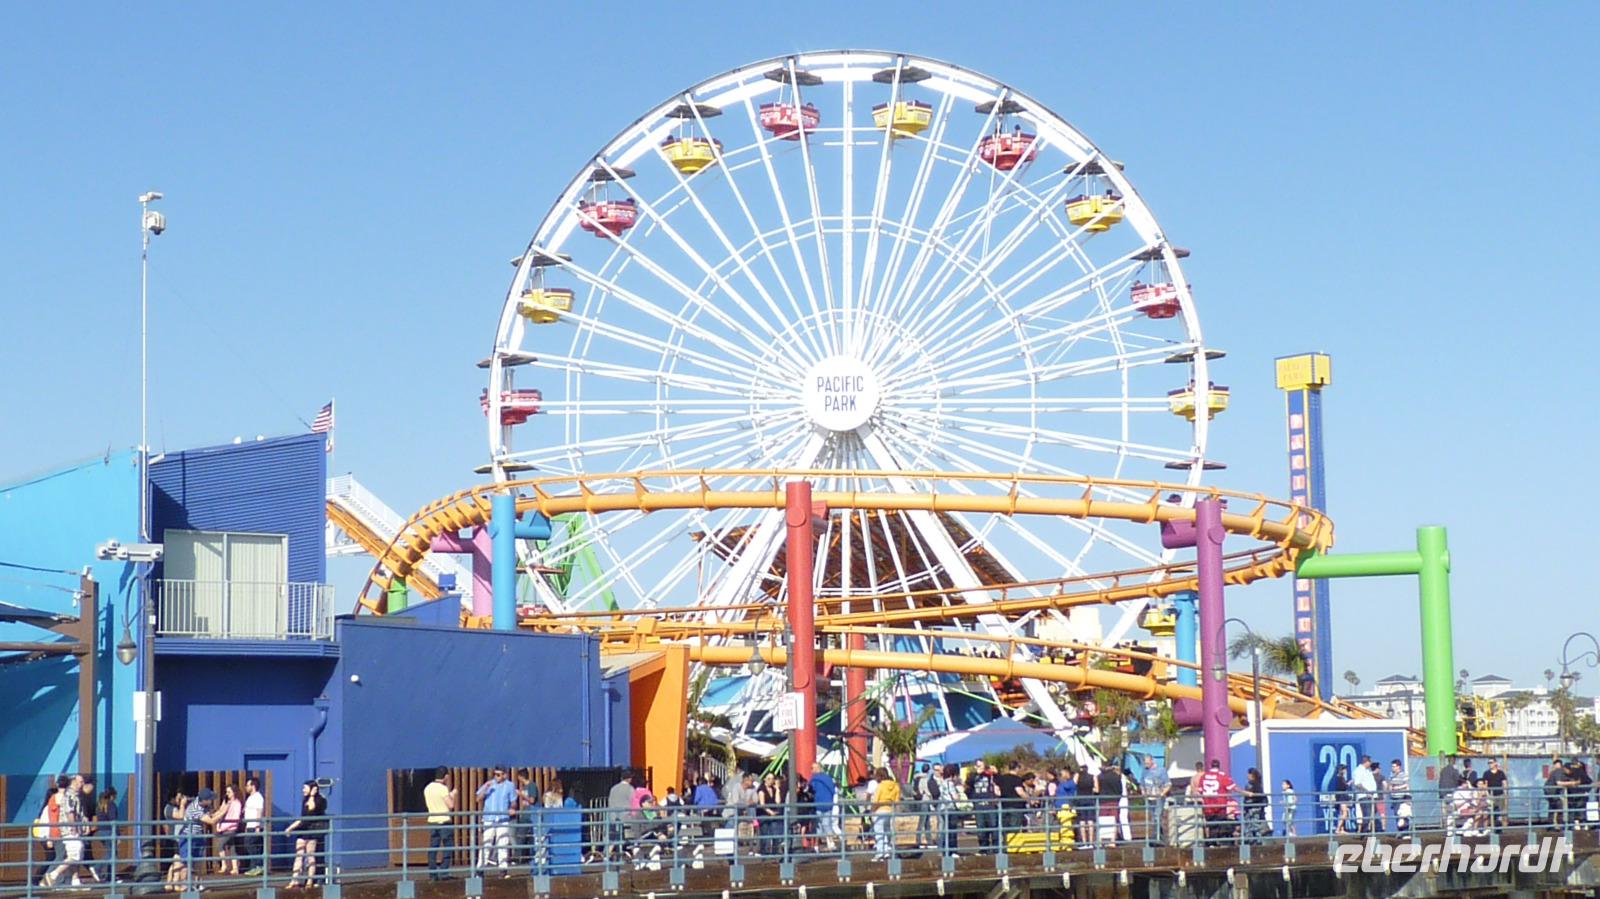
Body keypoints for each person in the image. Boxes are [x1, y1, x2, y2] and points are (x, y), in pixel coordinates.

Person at [42, 774, 86, 888]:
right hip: (70, 830)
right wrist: (74, 827)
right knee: (75, 854)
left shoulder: (74, 795)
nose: (82, 784)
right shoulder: (70, 795)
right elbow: (70, 812)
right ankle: (53, 874)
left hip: (71, 829)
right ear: (74, 782)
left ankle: (75, 881)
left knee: (76, 854)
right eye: (81, 782)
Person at [284, 781, 327, 889]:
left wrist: (312, 796)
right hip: (303, 830)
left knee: (310, 856)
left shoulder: (320, 800)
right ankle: (294, 880)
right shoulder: (305, 800)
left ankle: (309, 881)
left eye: (305, 788)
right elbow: (303, 818)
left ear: (313, 789)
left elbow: (312, 809)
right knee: (299, 856)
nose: (303, 790)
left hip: (312, 832)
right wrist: (290, 828)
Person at [477, 767, 518, 874]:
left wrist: (512, 808)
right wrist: (486, 788)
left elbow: (513, 801)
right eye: (495, 774)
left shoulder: (510, 786)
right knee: (486, 843)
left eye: (499, 775)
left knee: (503, 844)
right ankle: (480, 869)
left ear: (505, 775)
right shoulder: (489, 784)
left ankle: (503, 869)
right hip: (489, 818)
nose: (496, 777)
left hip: (503, 818)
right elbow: (478, 798)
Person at [424, 767, 457, 881]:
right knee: (448, 846)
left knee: (433, 848)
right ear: (446, 776)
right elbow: (450, 805)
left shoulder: (428, 788)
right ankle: (444, 873)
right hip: (444, 821)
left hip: (432, 821)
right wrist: (453, 795)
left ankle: (432, 874)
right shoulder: (443, 789)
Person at [1194, 760, 1237, 844]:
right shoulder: (1222, 776)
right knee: (1220, 825)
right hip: (1220, 806)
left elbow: (1199, 791)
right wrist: (1245, 793)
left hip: (1208, 807)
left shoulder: (1204, 776)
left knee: (1211, 826)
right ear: (1219, 766)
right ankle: (1221, 842)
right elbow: (1233, 787)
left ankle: (1211, 843)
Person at [965, 761, 1000, 854]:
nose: (980, 767)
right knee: (981, 828)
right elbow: (968, 783)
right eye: (978, 766)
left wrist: (996, 772)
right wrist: (978, 773)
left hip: (990, 805)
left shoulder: (989, 775)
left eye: (982, 766)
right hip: (978, 806)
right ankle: (984, 849)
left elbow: (999, 781)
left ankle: (996, 849)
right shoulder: (972, 776)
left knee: (993, 827)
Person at [936, 764, 966, 855]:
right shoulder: (950, 783)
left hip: (942, 807)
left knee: (946, 830)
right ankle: (952, 851)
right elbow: (955, 797)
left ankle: (945, 850)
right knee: (952, 830)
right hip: (950, 808)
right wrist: (960, 795)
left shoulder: (942, 782)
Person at [870, 767, 900, 861]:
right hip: (889, 810)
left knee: (879, 832)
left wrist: (872, 811)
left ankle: (880, 853)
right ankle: (886, 851)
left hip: (880, 810)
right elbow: (897, 801)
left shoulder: (881, 786)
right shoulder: (895, 785)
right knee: (887, 831)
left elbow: (875, 801)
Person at [1139, 756, 1170, 845]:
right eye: (1145, 763)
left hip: (1158, 798)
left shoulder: (1161, 770)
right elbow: (1142, 784)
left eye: (1147, 762)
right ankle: (1159, 837)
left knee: (1157, 817)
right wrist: (1143, 792)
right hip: (1149, 798)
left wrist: (1162, 793)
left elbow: (1168, 784)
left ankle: (1156, 838)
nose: (1146, 764)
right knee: (1153, 818)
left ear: (1152, 761)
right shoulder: (1145, 771)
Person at [809, 765, 840, 851]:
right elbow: (833, 791)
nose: (811, 770)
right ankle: (831, 843)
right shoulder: (828, 778)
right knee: (827, 825)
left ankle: (816, 845)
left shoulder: (814, 779)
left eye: (812, 768)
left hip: (818, 805)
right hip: (828, 804)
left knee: (818, 826)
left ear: (816, 769)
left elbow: (811, 791)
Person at [242, 778, 266, 877]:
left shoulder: (258, 797)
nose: (246, 787)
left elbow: (259, 811)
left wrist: (257, 826)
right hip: (249, 825)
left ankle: (258, 866)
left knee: (249, 844)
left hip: (254, 826)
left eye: (248, 785)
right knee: (254, 846)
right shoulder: (250, 798)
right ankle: (255, 867)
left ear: (253, 786)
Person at [1350, 758, 1377, 834]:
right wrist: (1366, 791)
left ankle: (1367, 831)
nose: (1371, 764)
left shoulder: (1367, 771)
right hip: (1364, 796)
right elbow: (1358, 783)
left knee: (1371, 814)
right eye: (1370, 762)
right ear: (1366, 762)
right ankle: (1364, 833)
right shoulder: (1359, 771)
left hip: (1371, 796)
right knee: (1367, 814)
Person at [1241, 769, 1267, 843]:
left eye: (1249, 774)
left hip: (1254, 808)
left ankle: (1257, 841)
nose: (1247, 776)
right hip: (1248, 808)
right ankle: (1250, 840)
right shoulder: (1248, 785)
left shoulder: (1256, 785)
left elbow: (1259, 796)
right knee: (1249, 825)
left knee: (1255, 825)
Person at [692, 774, 720, 839]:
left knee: (703, 823)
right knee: (710, 824)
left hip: (703, 809)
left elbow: (696, 799)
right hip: (712, 808)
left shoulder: (699, 789)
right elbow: (715, 799)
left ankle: (702, 836)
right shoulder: (710, 789)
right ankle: (711, 836)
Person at [1484, 759, 1508, 832]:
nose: (1490, 764)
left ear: (1495, 763)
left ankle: (1503, 828)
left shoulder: (1501, 773)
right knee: (1492, 812)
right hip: (1491, 796)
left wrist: (1505, 794)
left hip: (1500, 795)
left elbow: (1504, 783)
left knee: (1502, 812)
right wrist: (1487, 795)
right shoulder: (1486, 773)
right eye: (1488, 763)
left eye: (1491, 762)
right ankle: (1493, 828)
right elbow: (1485, 785)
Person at [1387, 760, 1411, 832]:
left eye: (1394, 766)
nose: (1392, 768)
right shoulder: (1391, 775)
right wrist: (1390, 788)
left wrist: (1398, 788)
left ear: (1398, 766)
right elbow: (1390, 784)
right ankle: (1400, 831)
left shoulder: (1404, 775)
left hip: (1402, 797)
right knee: (1397, 814)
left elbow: (1406, 784)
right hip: (1394, 798)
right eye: (1392, 766)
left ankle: (1405, 831)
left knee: (1403, 814)